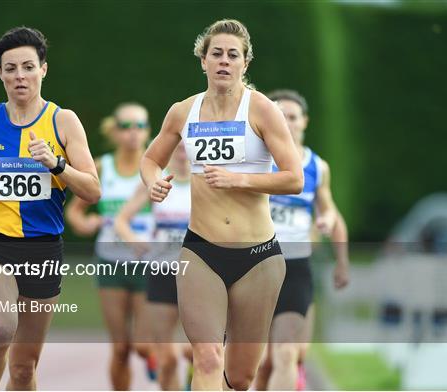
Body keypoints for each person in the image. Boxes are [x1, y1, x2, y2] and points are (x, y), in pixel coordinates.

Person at [140, 19, 303, 390]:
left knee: (243, 376)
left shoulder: (262, 110)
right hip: (201, 251)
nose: (224, 62)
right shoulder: (183, 111)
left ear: (245, 63)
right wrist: (154, 183)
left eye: (233, 55)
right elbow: (150, 160)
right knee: (209, 356)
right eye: (217, 54)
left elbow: (294, 178)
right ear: (203, 61)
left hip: (258, 256)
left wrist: (240, 179)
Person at [0, 27, 100, 390]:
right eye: (10, 68)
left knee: (25, 369)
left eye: (28, 66)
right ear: (0, 74)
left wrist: (56, 164)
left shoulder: (63, 121)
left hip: (43, 248)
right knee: (1, 328)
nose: (19, 76)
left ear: (44, 69)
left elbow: (92, 190)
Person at [254, 89, 350, 390]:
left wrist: (341, 260)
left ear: (304, 122)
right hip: (255, 266)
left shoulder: (317, 167)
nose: (287, 122)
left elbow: (331, 213)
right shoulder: (255, 160)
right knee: (260, 362)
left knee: (287, 354)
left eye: (293, 116)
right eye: (279, 115)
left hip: (296, 267)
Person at [65, 103, 155, 390]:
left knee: (142, 345)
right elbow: (75, 211)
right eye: (126, 126)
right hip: (110, 263)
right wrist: (84, 223)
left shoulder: (154, 169)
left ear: (148, 132)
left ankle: (157, 362)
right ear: (115, 132)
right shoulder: (102, 166)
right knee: (120, 348)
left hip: (148, 265)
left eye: (139, 126)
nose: (133, 133)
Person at [116, 141, 191, 390]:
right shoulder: (156, 181)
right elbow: (122, 220)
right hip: (162, 272)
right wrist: (134, 240)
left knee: (198, 352)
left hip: (199, 275)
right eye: (176, 144)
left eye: (186, 144)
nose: (181, 149)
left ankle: (196, 375)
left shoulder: (207, 180)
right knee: (166, 358)